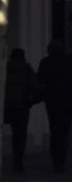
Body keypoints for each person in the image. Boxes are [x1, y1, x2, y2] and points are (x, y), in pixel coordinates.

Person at [38, 40, 72, 171]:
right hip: (68, 100)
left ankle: (57, 161)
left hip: (53, 101)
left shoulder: (46, 62)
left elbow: (41, 81)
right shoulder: (69, 61)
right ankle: (61, 159)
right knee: (64, 129)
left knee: (56, 130)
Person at [5, 48, 40, 172]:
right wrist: (30, 101)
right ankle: (18, 160)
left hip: (6, 105)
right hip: (21, 106)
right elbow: (35, 87)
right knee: (20, 135)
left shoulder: (5, 69)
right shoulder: (27, 70)